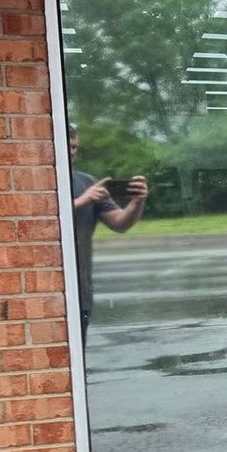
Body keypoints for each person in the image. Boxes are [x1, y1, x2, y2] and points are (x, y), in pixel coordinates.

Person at [68, 124, 148, 336]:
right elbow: (38, 220)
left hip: (81, 291)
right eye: (67, 145)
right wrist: (82, 201)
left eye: (75, 146)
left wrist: (137, 202)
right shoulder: (38, 182)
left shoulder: (87, 182)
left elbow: (119, 223)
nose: (72, 151)